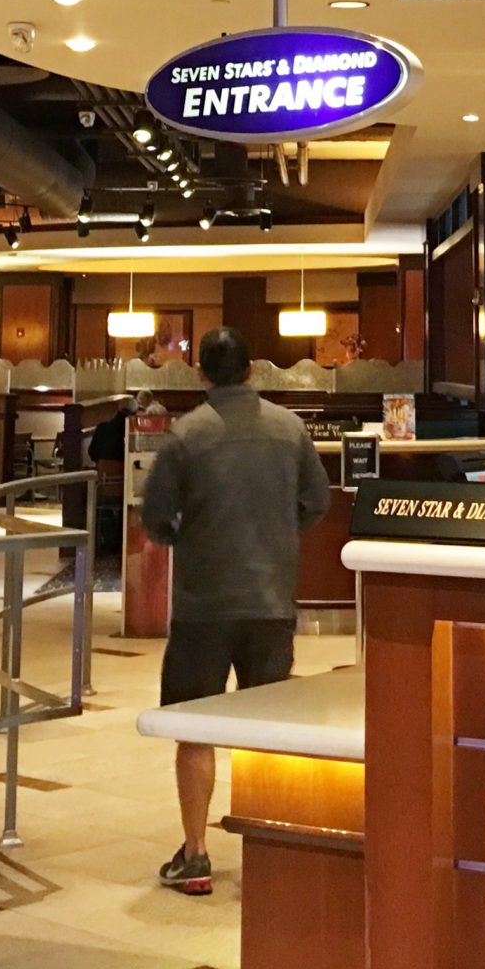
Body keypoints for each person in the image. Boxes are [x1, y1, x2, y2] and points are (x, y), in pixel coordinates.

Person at [139, 327, 331, 897]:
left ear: (200, 373)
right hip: (271, 600)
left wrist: (190, 536)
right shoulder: (289, 428)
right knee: (268, 729)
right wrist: (279, 534)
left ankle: (196, 853)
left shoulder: (186, 435)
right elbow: (317, 501)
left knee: (194, 728)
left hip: (203, 605)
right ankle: (273, 854)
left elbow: (155, 518)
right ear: (252, 370)